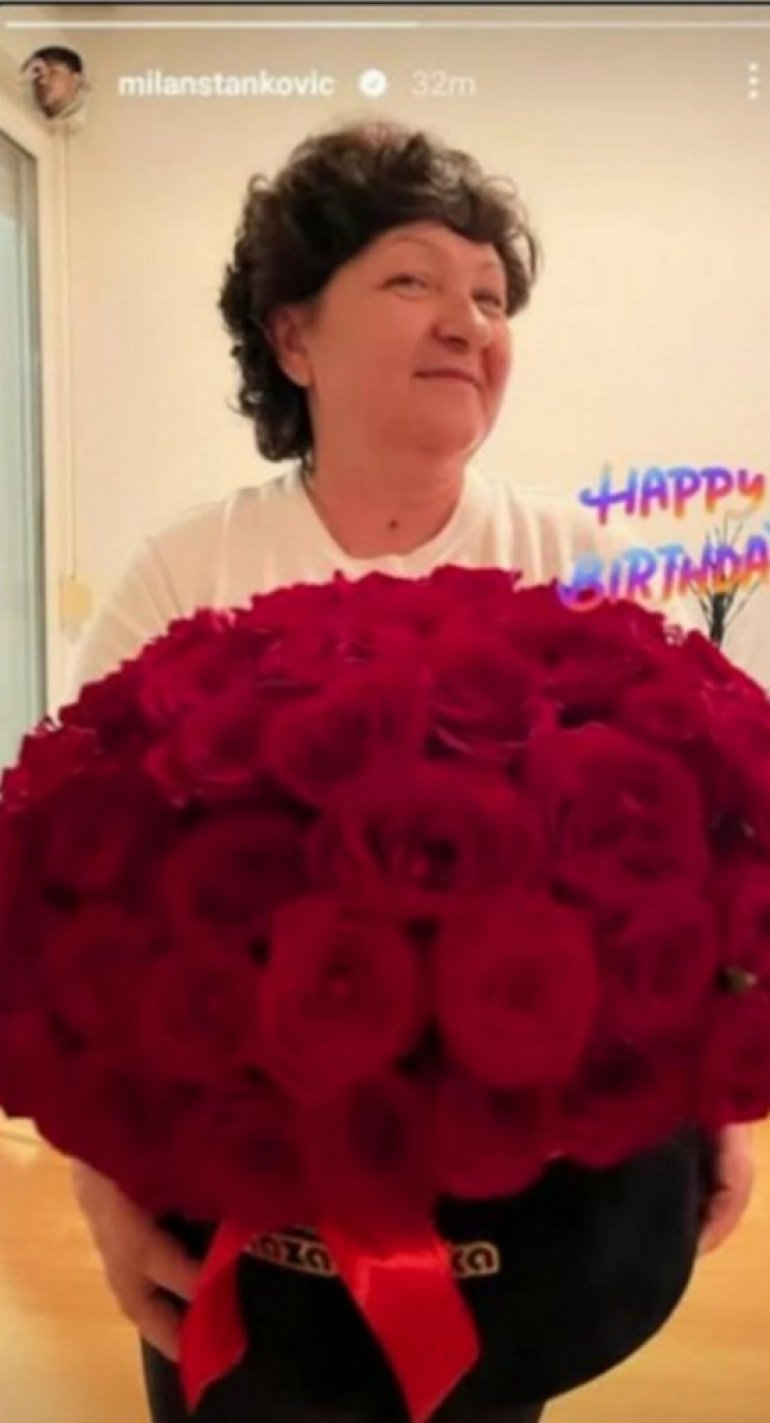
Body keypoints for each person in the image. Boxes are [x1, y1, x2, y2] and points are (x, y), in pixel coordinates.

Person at [68, 119, 754, 1423]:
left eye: (490, 297)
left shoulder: (579, 566)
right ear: (293, 336)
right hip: (238, 1216)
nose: (467, 322)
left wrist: (716, 1087)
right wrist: (102, 1187)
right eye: (411, 279)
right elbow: (68, 920)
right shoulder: (185, 575)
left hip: (517, 1218)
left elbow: (701, 873)